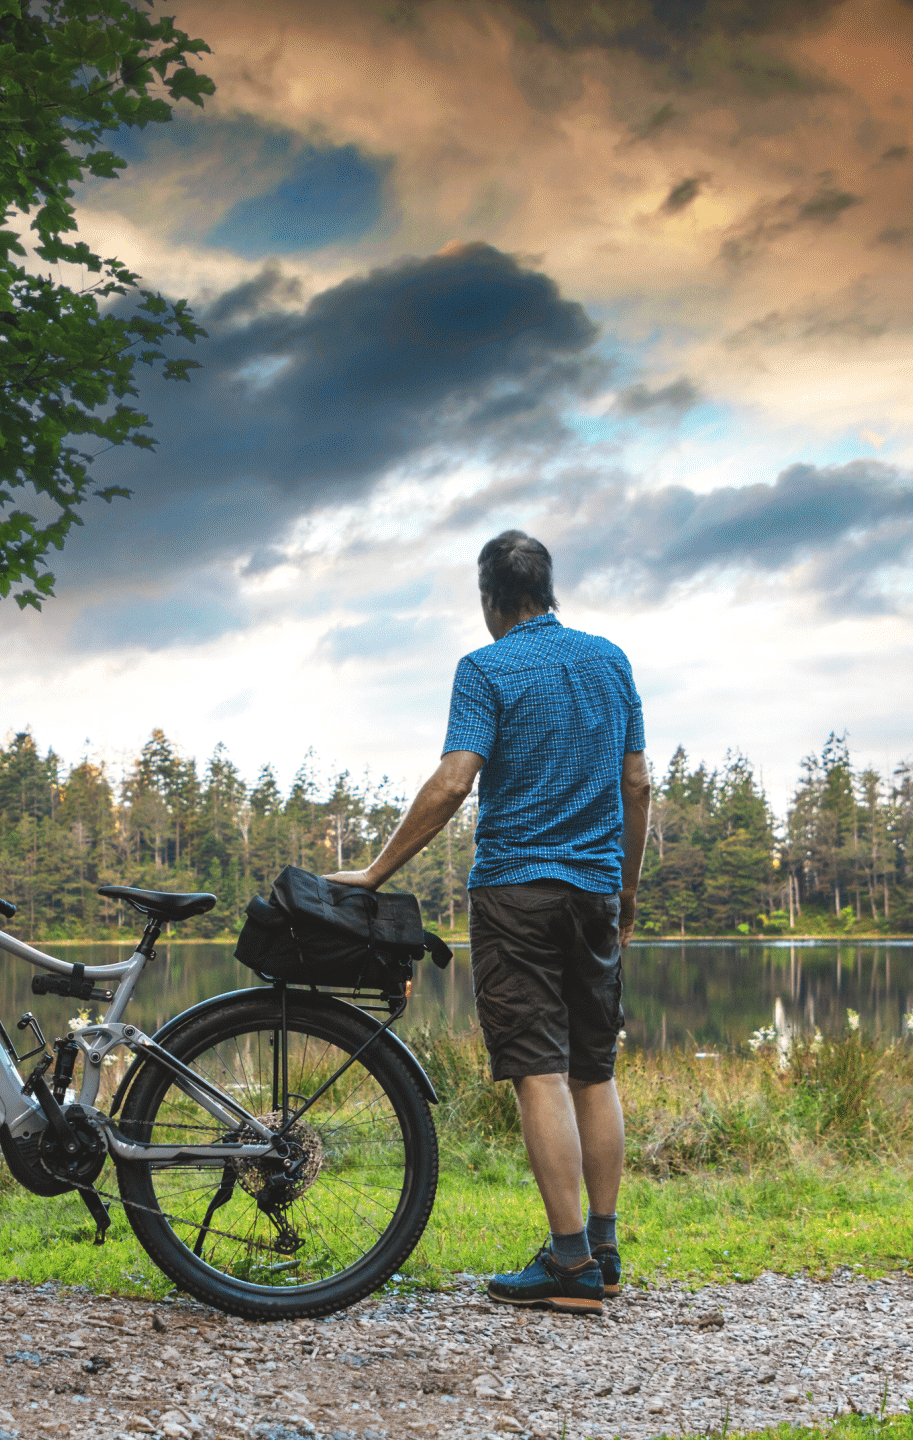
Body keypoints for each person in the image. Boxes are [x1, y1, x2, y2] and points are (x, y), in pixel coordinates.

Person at [324, 529, 650, 1315]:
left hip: (516, 896)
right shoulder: (611, 661)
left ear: (491, 599)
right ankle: (603, 1252)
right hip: (596, 893)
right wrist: (627, 887)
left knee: (539, 1069)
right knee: (593, 1070)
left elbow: (452, 781)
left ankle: (569, 1264)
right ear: (549, 589)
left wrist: (374, 872)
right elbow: (636, 784)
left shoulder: (486, 668)